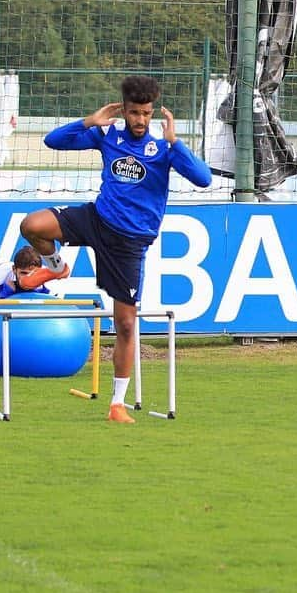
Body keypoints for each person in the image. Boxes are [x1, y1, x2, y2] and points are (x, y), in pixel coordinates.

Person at [19, 75, 212, 423]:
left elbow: (204, 178)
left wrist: (176, 142)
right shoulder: (107, 135)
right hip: (96, 219)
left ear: (153, 113)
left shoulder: (163, 149)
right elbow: (52, 141)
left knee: (125, 325)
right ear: (124, 110)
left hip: (129, 242)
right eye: (135, 112)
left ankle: (117, 405)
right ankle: (56, 265)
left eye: (147, 113)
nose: (140, 120)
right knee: (31, 226)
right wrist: (88, 122)